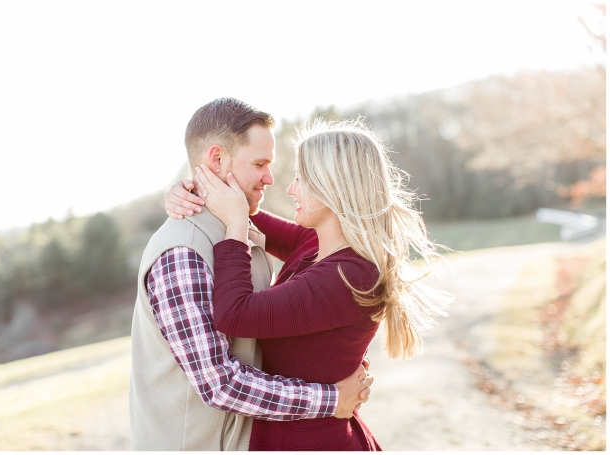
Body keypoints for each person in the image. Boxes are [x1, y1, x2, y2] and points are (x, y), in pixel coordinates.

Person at [166, 118, 453, 450]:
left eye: (301, 178)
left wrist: (234, 225)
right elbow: (241, 204)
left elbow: (233, 313)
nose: (290, 189)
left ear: (332, 187)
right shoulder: (316, 245)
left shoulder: (348, 277)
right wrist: (189, 190)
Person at [129, 98, 373, 451]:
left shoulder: (242, 232)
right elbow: (220, 385)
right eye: (259, 163)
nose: (272, 179)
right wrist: (331, 399)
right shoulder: (182, 254)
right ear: (216, 160)